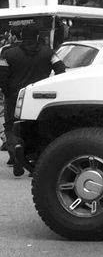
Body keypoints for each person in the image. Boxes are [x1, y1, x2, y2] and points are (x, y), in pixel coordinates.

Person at [0, 23, 66, 177]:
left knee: (12, 126)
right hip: (40, 96)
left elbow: (1, 76)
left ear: (21, 37)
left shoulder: (8, 54)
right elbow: (61, 70)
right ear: (37, 36)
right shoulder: (49, 52)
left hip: (15, 96)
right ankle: (35, 162)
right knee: (38, 128)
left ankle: (16, 154)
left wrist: (7, 92)